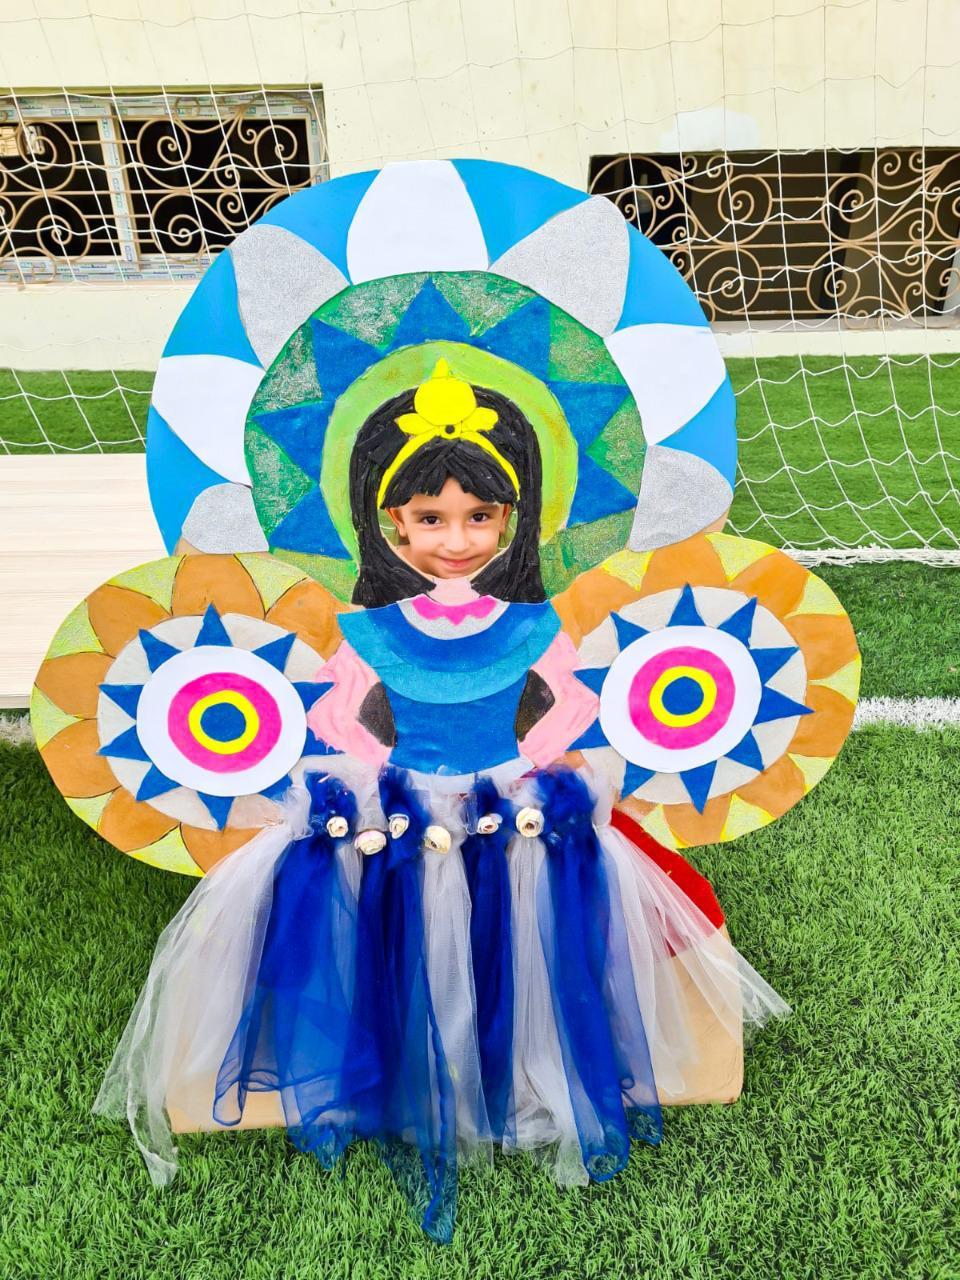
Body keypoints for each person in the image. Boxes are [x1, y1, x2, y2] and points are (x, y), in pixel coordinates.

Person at [95, 359, 790, 1244]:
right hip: (402, 811)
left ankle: (516, 1072)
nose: (454, 540)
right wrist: (371, 776)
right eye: (430, 519)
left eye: (478, 517)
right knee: (408, 944)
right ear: (391, 522)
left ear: (512, 519)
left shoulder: (533, 624)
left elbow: (569, 707)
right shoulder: (366, 628)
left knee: (520, 949)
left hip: (511, 807)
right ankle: (402, 1075)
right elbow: (341, 714)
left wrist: (539, 765)